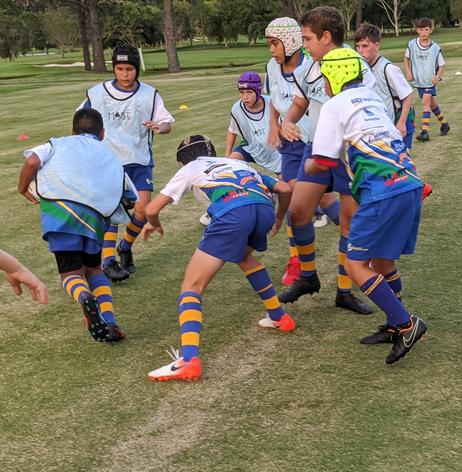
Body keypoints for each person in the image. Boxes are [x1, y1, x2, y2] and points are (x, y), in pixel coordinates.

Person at [305, 48, 427, 364]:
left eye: (325, 79)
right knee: (383, 263)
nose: (325, 86)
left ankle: (406, 323)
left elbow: (322, 161)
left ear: (334, 76)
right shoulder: (373, 99)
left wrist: (305, 169)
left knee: (356, 265)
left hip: (381, 192)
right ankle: (393, 326)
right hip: (409, 184)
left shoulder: (333, 106)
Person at [145, 136, 296, 382]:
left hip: (233, 212)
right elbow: (284, 188)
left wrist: (154, 225)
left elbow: (151, 209)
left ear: (180, 162)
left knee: (192, 286)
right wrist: (279, 217)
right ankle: (280, 318)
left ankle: (188, 359)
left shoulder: (191, 168)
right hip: (263, 209)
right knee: (244, 257)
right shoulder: (237, 164)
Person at [278, 7, 373, 315]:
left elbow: (367, 106)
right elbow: (301, 100)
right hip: (316, 147)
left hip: (348, 154)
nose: (303, 44)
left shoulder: (355, 63)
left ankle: (344, 292)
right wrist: (287, 121)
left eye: (307, 38)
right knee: (298, 212)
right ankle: (308, 277)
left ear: (326, 37)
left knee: (349, 224)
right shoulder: (309, 66)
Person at [17, 108, 129, 342]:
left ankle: (84, 297)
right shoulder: (109, 154)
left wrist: (22, 188)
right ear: (102, 133)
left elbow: (32, 161)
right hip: (96, 217)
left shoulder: (56, 143)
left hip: (60, 212)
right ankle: (110, 322)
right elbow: (129, 194)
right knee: (94, 270)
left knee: (70, 273)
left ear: (72, 130)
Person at [79, 44, 174, 281]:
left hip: (139, 160)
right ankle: (108, 261)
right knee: (112, 209)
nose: (124, 74)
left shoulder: (150, 94)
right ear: (114, 69)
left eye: (129, 69)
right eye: (120, 69)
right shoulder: (96, 93)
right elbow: (81, 120)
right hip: (108, 161)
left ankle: (126, 246)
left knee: (144, 209)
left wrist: (159, 127)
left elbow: (167, 123)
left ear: (136, 70)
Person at [264, 16, 340, 287]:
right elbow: (274, 98)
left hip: (314, 142)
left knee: (323, 201)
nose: (271, 50)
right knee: (296, 201)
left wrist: (292, 122)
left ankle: (357, 239)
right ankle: (297, 261)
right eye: (269, 44)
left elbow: (311, 102)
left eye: (275, 44)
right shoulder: (272, 67)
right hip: (290, 144)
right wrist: (275, 125)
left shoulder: (314, 65)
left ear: (291, 41)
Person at [355, 22, 416, 150]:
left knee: (400, 163)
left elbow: (408, 95)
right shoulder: (362, 69)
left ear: (376, 46)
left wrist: (401, 123)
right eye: (358, 46)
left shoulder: (388, 69)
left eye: (365, 46)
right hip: (382, 125)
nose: (360, 50)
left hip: (398, 122)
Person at [404, 18, 450, 141]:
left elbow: (442, 64)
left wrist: (438, 76)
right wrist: (408, 72)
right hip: (418, 81)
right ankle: (444, 124)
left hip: (430, 81)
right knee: (431, 103)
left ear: (431, 30)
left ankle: (425, 132)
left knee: (425, 103)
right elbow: (406, 58)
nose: (424, 32)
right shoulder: (412, 44)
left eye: (426, 29)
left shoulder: (435, 47)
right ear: (417, 30)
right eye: (421, 29)